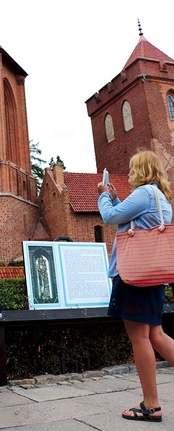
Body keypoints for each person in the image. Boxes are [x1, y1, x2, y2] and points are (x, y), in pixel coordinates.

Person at [97, 150, 174, 422]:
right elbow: (129, 216)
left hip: (135, 275)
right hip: (152, 275)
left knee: (140, 338)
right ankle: (151, 403)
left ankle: (151, 406)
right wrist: (118, 199)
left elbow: (109, 217)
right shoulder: (160, 197)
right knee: (157, 335)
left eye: (132, 168)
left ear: (142, 170)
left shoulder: (143, 194)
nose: (129, 173)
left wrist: (104, 194)